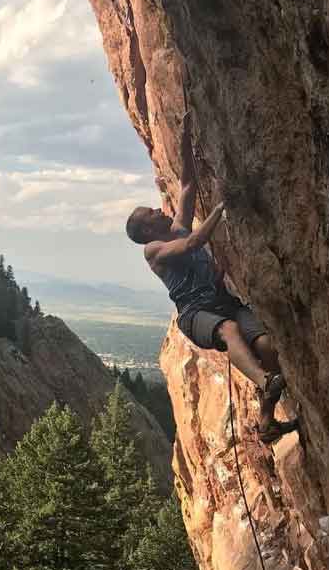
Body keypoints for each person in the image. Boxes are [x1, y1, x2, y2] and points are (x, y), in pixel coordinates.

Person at [125, 112, 297, 444]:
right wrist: (220, 209)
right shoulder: (154, 251)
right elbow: (193, 243)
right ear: (147, 230)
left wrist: (185, 137)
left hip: (222, 302)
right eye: (153, 212)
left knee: (266, 344)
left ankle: (266, 422)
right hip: (196, 315)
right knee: (231, 330)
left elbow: (188, 185)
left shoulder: (174, 228)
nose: (161, 210)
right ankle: (264, 381)